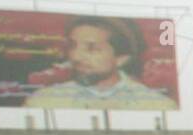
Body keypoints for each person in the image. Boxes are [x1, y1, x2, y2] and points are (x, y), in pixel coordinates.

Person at [24, 16, 174, 110]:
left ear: (122, 58)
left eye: (92, 49)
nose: (76, 56)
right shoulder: (42, 102)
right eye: (73, 46)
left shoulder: (158, 106)